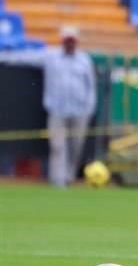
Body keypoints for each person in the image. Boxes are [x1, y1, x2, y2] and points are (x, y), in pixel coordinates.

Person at [0, 25, 96, 186]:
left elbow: (91, 87)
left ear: (76, 42)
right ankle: (58, 181)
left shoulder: (84, 60)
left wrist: (89, 108)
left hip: (80, 111)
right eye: (67, 40)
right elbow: (25, 57)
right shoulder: (51, 57)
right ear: (62, 41)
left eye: (72, 41)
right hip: (57, 110)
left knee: (75, 147)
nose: (70, 44)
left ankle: (69, 177)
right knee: (57, 146)